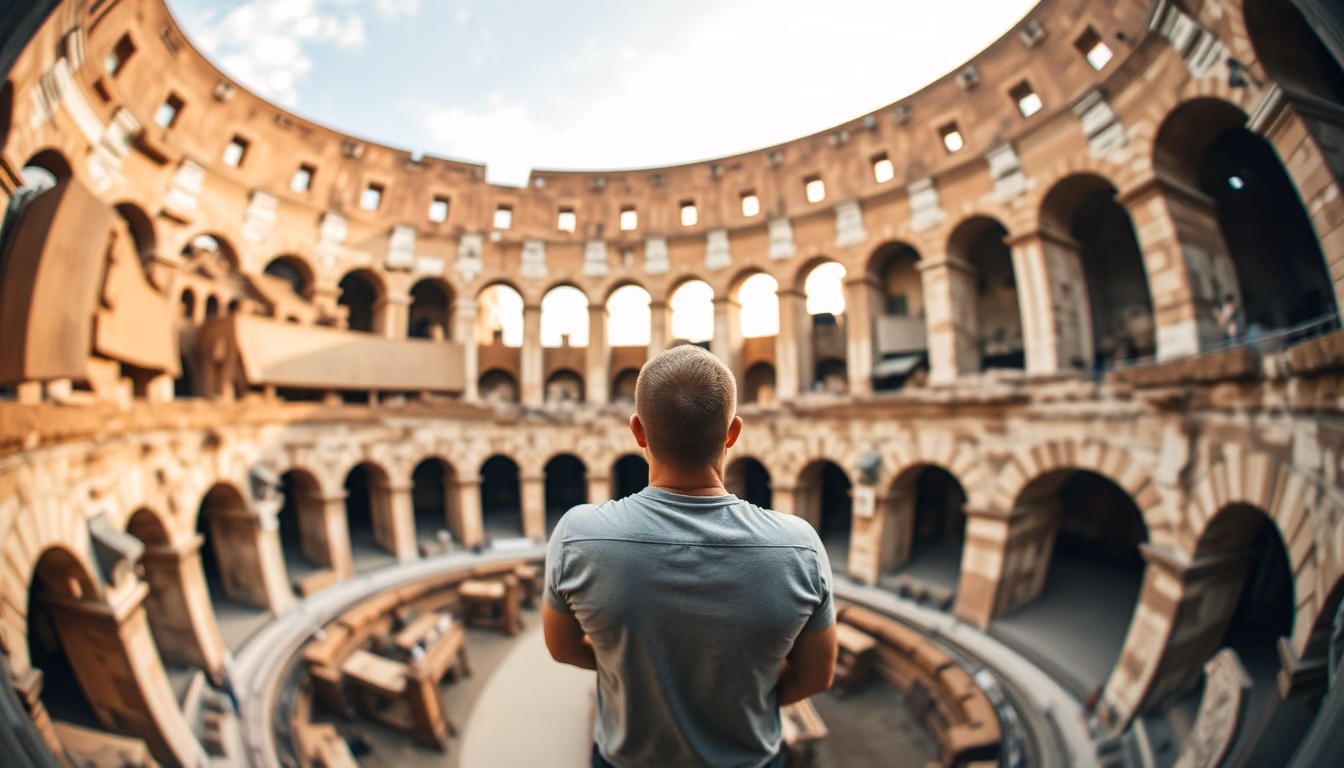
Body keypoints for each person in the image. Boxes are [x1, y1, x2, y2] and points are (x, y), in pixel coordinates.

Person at [544, 345, 838, 768]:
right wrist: (750, 696)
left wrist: (623, 670)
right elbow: (816, 676)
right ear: (733, 432)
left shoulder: (577, 535)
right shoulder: (800, 547)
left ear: (638, 431)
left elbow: (561, 648)